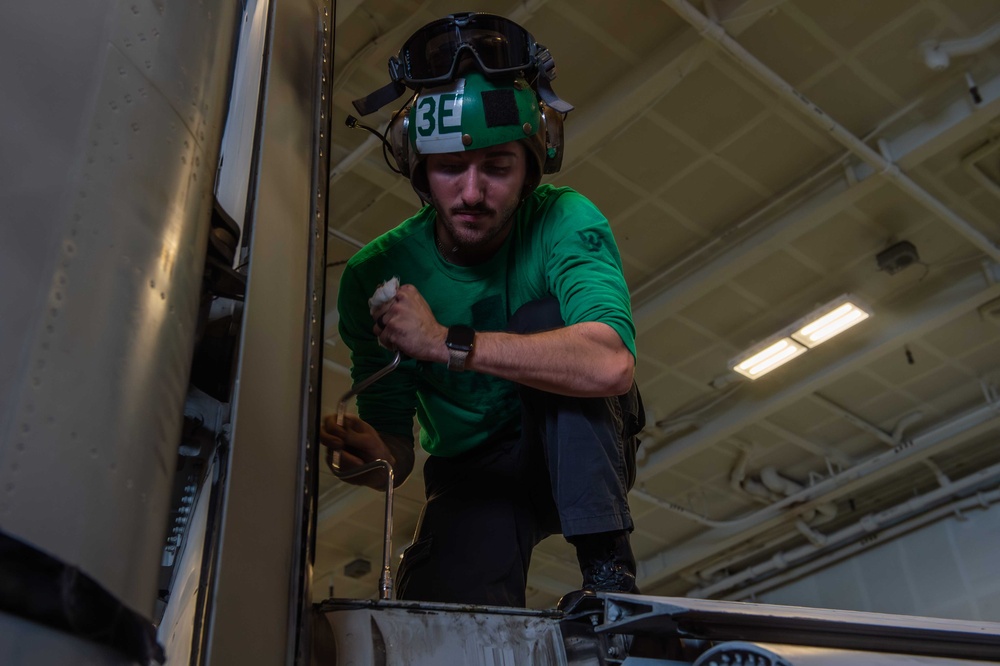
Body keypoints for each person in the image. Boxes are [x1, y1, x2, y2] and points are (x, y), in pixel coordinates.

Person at [321, 12, 644, 609]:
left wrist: (446, 340)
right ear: (418, 169)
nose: (471, 193)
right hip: (474, 469)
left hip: (573, 440)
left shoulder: (562, 218)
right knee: (438, 612)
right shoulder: (374, 275)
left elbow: (610, 367)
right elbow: (397, 455)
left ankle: (606, 574)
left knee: (548, 322)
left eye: (497, 168)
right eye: (449, 168)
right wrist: (366, 458)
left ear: (529, 170)